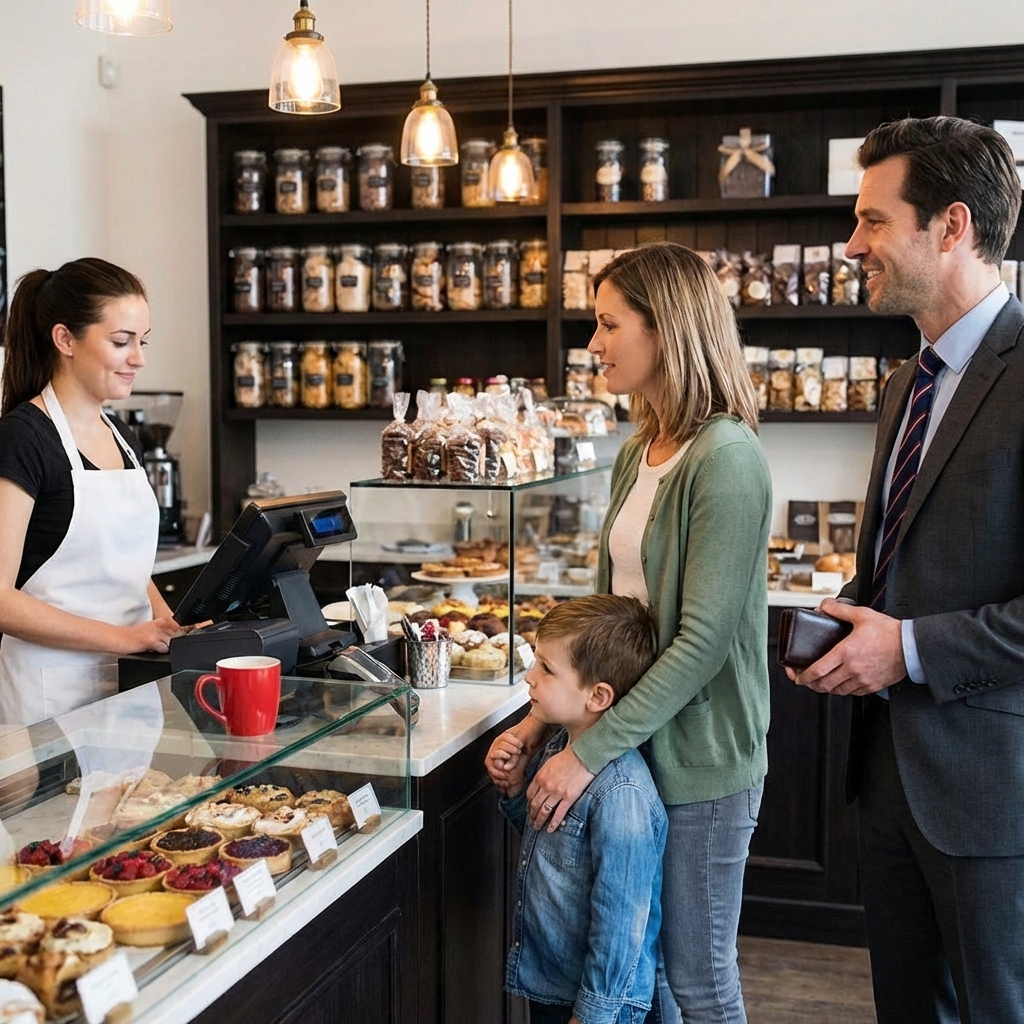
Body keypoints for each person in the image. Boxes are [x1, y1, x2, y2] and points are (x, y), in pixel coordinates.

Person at [488, 242, 772, 1024]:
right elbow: (605, 629)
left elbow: (702, 643)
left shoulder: (727, 458)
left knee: (698, 979)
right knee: (649, 979)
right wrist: (538, 721)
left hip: (702, 759)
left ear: (666, 329)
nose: (594, 343)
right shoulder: (636, 453)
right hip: (634, 747)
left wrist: (582, 754)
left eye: (610, 324)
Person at [788, 116, 1024, 1024]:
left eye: (873, 220)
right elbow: (907, 561)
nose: (852, 246)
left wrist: (909, 649)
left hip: (994, 791)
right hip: (886, 775)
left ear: (952, 226)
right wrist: (848, 618)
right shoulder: (905, 385)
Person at [0, 258, 183, 726]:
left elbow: (126, 566)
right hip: (50, 697)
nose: (138, 358)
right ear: (65, 339)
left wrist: (171, 628)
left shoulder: (122, 435)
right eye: (121, 342)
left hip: (128, 688)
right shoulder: (25, 437)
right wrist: (125, 638)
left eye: (142, 341)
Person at [492, 594, 667, 1024]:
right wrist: (516, 792)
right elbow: (556, 852)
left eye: (546, 669)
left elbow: (621, 921)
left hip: (598, 1006)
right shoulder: (559, 750)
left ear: (598, 696)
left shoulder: (622, 792)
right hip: (555, 985)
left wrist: (592, 1014)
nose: (529, 677)